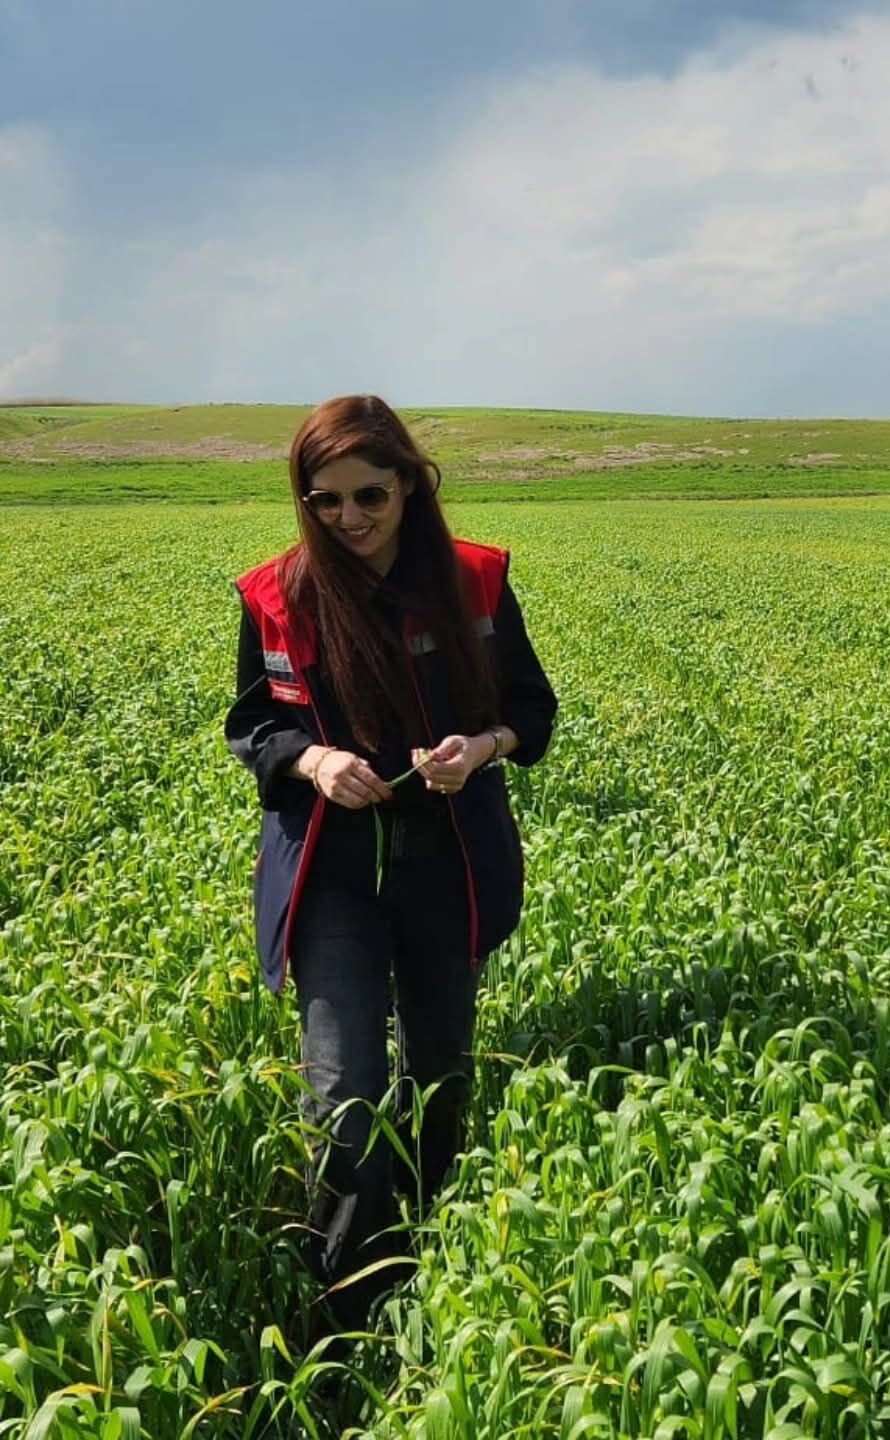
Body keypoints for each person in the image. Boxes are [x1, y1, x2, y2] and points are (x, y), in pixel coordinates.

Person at [226, 395, 556, 1328]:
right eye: (323, 501)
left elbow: (532, 710)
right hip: (331, 869)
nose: (349, 519)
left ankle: (431, 1250)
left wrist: (481, 748)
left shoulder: (475, 583)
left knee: (441, 1068)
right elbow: (253, 724)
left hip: (444, 858)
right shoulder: (275, 596)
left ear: (411, 485)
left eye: (369, 495)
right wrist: (313, 759)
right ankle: (348, 1294)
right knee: (344, 1087)